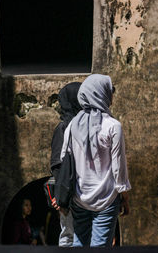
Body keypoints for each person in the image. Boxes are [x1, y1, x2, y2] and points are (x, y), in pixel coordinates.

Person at [56, 74, 131, 247]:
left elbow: (64, 159)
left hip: (80, 197)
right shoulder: (113, 126)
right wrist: (124, 197)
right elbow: (118, 168)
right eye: (109, 91)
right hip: (106, 199)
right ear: (100, 93)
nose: (112, 96)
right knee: (100, 246)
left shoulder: (73, 125)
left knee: (79, 243)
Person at [50, 82, 82, 247]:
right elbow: (58, 165)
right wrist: (62, 197)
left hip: (80, 194)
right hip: (70, 195)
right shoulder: (63, 128)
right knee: (69, 237)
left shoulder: (82, 125)